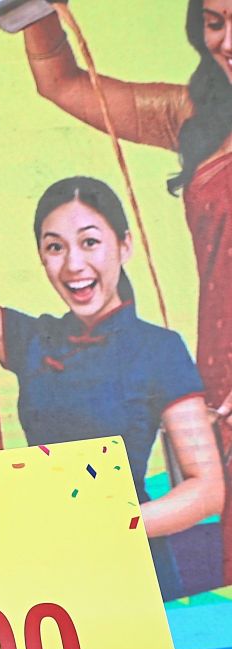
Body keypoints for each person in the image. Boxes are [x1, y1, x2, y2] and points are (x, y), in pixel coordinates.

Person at [0, 144, 225, 598]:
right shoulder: (31, 340)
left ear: (124, 246)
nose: (73, 264)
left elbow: (207, 487)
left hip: (130, 566)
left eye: (90, 242)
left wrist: (119, 523)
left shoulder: (158, 349)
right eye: (55, 247)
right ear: (42, 258)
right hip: (47, 565)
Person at [20, 0, 232, 583]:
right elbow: (61, 83)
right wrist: (39, 10)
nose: (227, 41)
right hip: (223, 385)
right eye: (215, 23)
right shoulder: (193, 118)